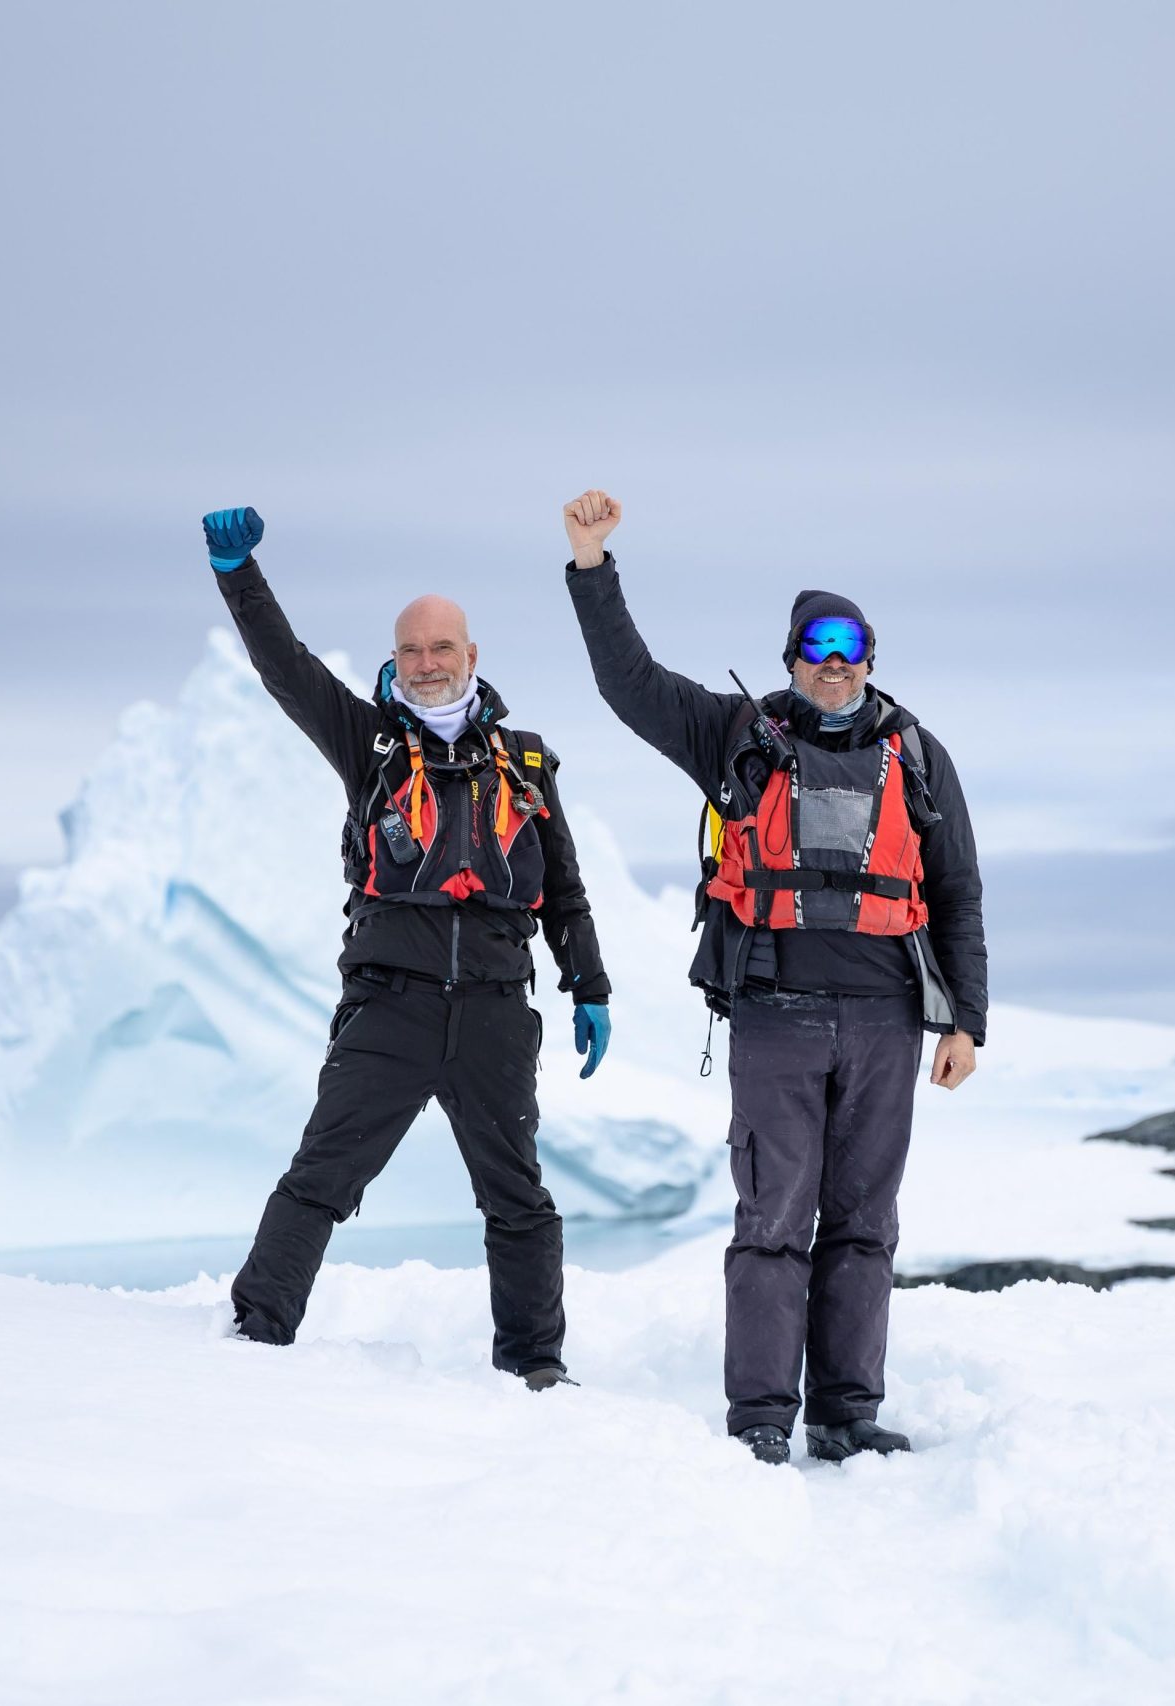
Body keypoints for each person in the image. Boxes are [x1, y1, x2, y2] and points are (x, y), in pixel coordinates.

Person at [557, 489, 988, 1463]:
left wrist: (967, 1022)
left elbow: (957, 890)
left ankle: (847, 1411)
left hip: (887, 1016)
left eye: (850, 650)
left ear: (870, 660)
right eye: (813, 649)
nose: (832, 666)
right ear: (790, 657)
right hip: (773, 1015)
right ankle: (759, 1418)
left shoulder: (918, 755)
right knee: (771, 1219)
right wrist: (593, 567)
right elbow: (628, 684)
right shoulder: (735, 736)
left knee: (865, 1222)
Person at [202, 504, 613, 1388]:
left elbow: (564, 889)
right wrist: (239, 574)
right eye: (411, 651)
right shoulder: (372, 746)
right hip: (390, 1005)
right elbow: (287, 669)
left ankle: (536, 1366)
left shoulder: (527, 765)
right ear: (397, 662)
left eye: (442, 649)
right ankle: (258, 1330)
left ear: (472, 657)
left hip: (497, 1012)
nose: (426, 665)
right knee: (324, 1172)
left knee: (519, 1198)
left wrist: (590, 987)